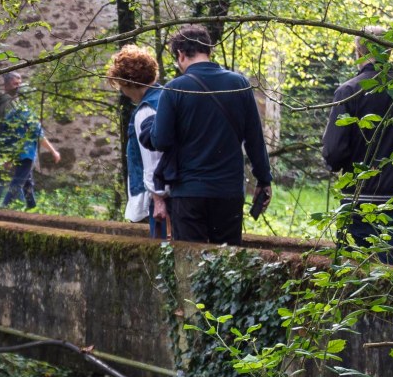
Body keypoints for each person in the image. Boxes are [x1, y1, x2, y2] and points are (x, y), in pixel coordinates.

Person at [146, 25, 272, 245]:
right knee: (227, 259)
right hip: (228, 191)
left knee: (190, 258)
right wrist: (264, 179)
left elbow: (161, 141)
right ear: (208, 50)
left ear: (180, 54)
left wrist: (151, 126)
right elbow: (254, 138)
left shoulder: (174, 89)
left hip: (189, 191)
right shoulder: (239, 84)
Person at [321, 27, 393, 262]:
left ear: (358, 52)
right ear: (390, 52)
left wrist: (334, 164)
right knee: (390, 267)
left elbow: (334, 151)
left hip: (358, 198)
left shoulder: (349, 92)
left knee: (353, 269)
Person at [105, 44, 166, 238]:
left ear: (129, 83)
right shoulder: (167, 97)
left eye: (121, 86)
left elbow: (152, 161)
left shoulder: (146, 110)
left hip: (156, 199)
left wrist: (155, 200)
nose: (122, 92)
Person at [0, 71, 61, 209]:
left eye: (20, 84)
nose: (18, 87)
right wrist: (53, 151)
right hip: (20, 151)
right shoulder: (13, 106)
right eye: (15, 84)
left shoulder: (13, 106)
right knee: (12, 180)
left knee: (26, 180)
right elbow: (36, 134)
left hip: (14, 150)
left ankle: (30, 206)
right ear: (6, 85)